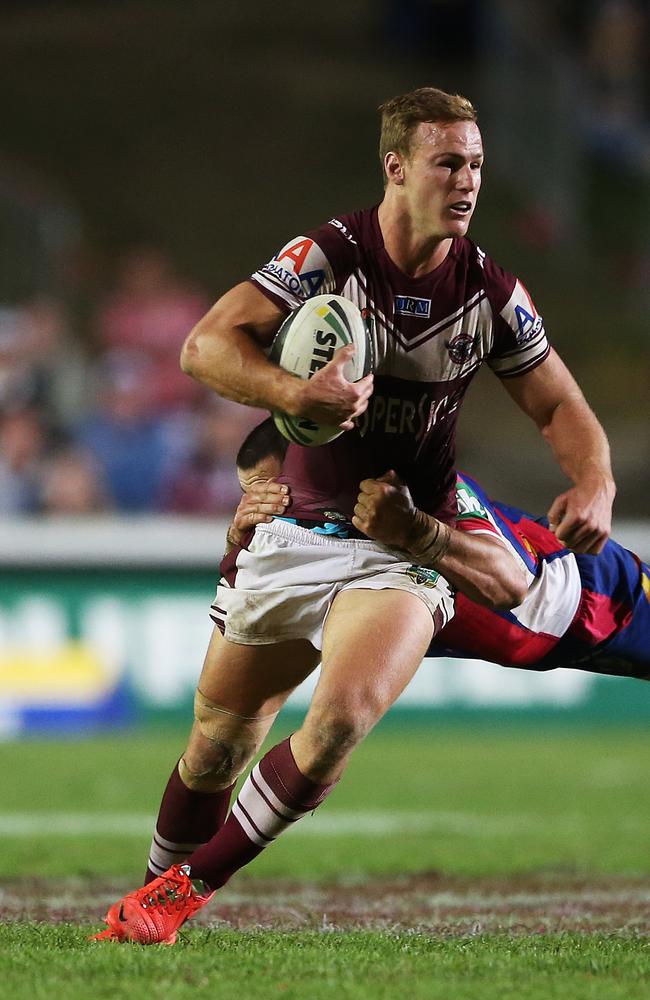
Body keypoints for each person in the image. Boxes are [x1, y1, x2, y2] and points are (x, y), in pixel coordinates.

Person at [93, 86, 616, 944]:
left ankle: (173, 902)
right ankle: (148, 901)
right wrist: (299, 393)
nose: (468, 181)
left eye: (477, 164)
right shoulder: (327, 257)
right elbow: (206, 347)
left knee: (337, 723)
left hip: (405, 541)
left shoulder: (489, 291)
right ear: (397, 167)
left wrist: (593, 482)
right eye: (449, 162)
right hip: (298, 529)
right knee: (215, 747)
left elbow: (561, 408)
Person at [229, 420, 648, 678]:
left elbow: (509, 584)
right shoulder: (305, 553)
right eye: (255, 498)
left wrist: (413, 531)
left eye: (279, 493)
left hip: (594, 596)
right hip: (539, 643)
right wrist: (238, 545)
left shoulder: (411, 492)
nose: (270, 511)